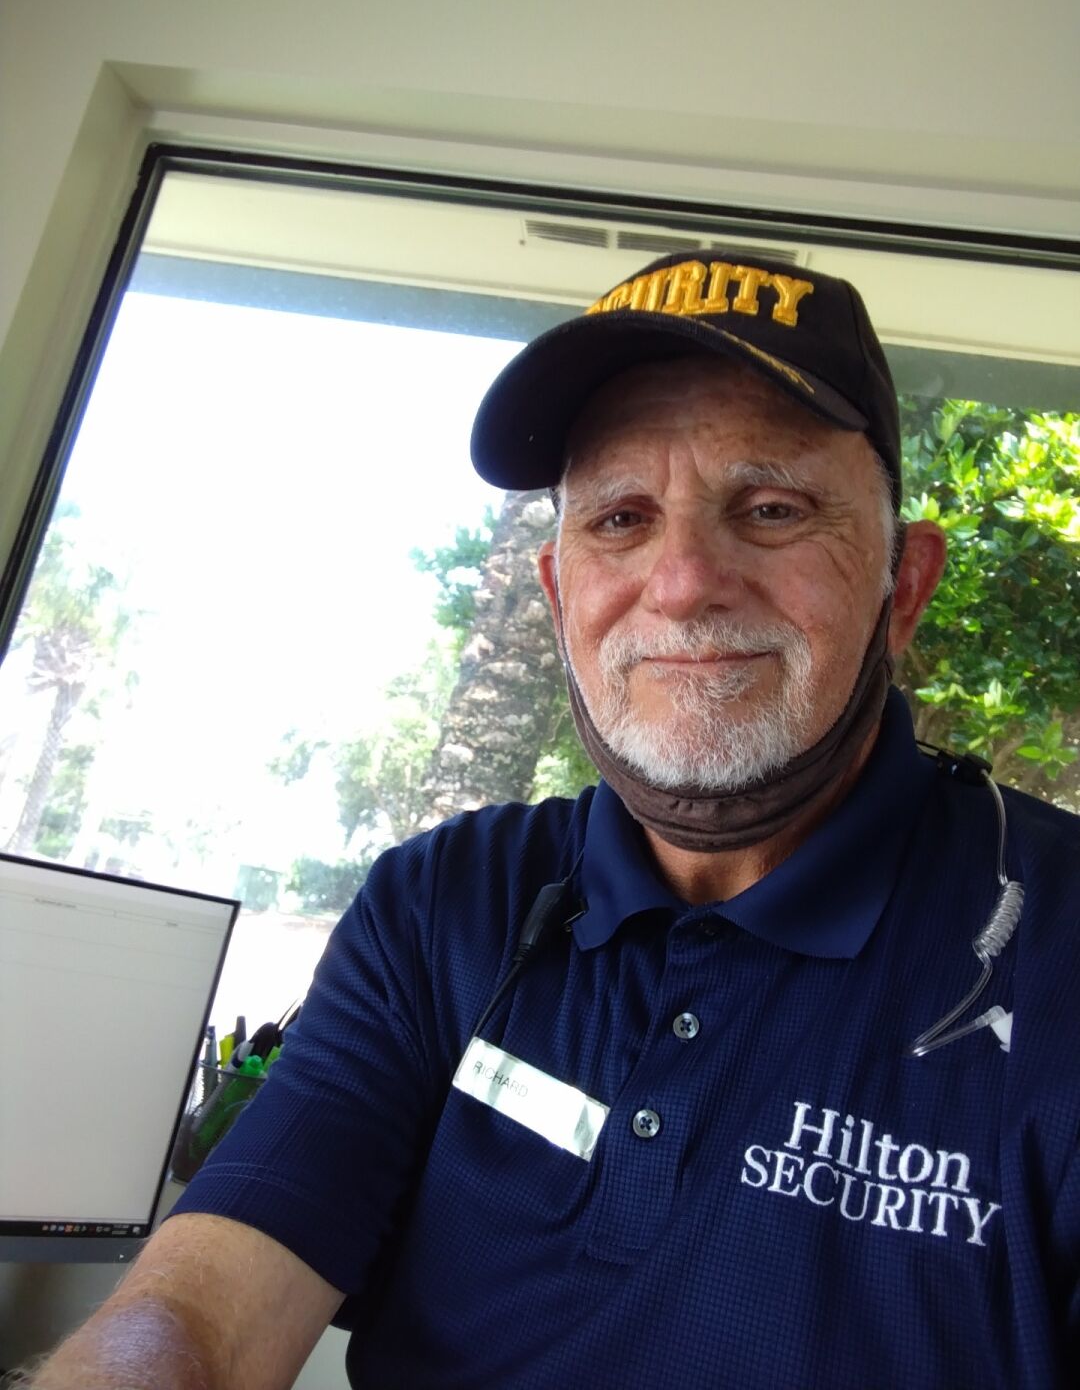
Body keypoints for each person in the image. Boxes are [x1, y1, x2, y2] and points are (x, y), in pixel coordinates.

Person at [28, 254, 1080, 1390]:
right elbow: (200, 1310)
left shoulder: (1057, 946)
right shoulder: (441, 904)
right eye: (621, 519)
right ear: (558, 594)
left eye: (772, 509)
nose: (682, 583)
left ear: (902, 587)